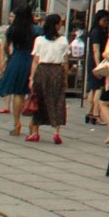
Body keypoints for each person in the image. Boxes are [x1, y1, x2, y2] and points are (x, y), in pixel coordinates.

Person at [24, 13, 71, 144]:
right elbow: (66, 61)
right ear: (57, 25)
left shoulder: (39, 40)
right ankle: (56, 132)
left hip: (42, 70)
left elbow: (35, 60)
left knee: (38, 99)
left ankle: (35, 132)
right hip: (57, 70)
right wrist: (65, 77)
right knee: (57, 99)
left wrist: (31, 78)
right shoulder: (63, 40)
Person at [0, 6, 36, 137]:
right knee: (33, 94)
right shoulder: (36, 29)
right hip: (32, 60)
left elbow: (5, 46)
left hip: (17, 59)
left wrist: (9, 57)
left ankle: (17, 123)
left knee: (17, 93)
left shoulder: (13, 29)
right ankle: (32, 125)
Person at [84, 10, 109, 126]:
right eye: (104, 20)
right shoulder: (97, 32)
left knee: (93, 88)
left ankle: (90, 113)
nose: (106, 23)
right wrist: (99, 65)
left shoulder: (98, 31)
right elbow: (96, 49)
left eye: (108, 21)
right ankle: (96, 114)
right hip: (97, 61)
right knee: (99, 88)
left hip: (95, 61)